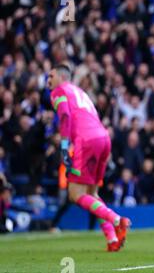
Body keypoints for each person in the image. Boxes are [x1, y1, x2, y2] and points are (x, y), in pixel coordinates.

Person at [47, 64, 131, 252]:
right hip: (103, 139)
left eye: (50, 76)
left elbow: (65, 117)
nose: (48, 81)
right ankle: (111, 239)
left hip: (85, 141)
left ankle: (118, 220)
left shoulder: (59, 91)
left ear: (62, 77)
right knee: (92, 194)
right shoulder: (80, 92)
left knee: (75, 194)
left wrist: (64, 147)